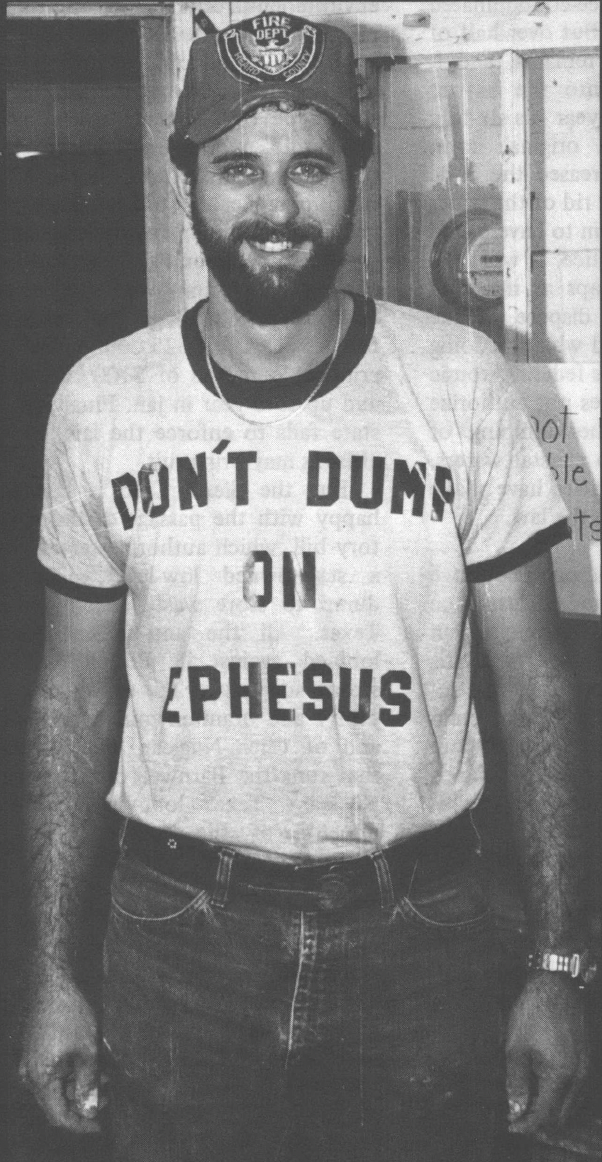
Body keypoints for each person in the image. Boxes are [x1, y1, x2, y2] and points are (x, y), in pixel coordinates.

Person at [19, 10, 595, 1162]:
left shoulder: (458, 384)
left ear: (351, 178)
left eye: (308, 168)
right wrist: (51, 973)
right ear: (186, 180)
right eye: (237, 167)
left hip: (421, 935)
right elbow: (72, 702)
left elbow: (532, 684)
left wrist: (553, 965)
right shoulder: (101, 400)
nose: (274, 209)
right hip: (174, 940)